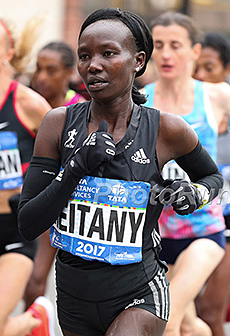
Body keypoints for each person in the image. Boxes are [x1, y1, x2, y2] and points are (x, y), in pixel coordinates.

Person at [18, 8, 223, 336]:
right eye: (84, 55)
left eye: (108, 53)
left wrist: (193, 193)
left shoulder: (165, 129)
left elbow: (212, 178)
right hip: (74, 298)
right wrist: (75, 168)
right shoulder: (58, 124)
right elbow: (28, 223)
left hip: (139, 293)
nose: (93, 65)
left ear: (138, 61)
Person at [142, 11, 230, 336]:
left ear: (194, 51)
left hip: (204, 232)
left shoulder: (216, 96)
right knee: (190, 328)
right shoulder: (139, 100)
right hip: (152, 236)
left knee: (164, 320)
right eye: (159, 45)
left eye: (175, 45)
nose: (166, 54)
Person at [0, 17, 54, 336]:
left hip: (14, 232)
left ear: (8, 52)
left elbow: (65, 155)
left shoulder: (27, 103)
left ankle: (35, 318)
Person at [23, 41, 87, 310]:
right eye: (38, 69)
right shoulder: (26, 104)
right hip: (26, 199)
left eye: (51, 70)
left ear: (70, 72)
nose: (41, 77)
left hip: (62, 203)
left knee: (37, 276)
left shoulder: (80, 110)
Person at [193, 32, 230, 336]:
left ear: (227, 70)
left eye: (210, 68)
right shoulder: (187, 119)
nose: (201, 76)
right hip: (188, 223)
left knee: (210, 311)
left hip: (225, 226)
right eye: (197, 69)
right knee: (183, 313)